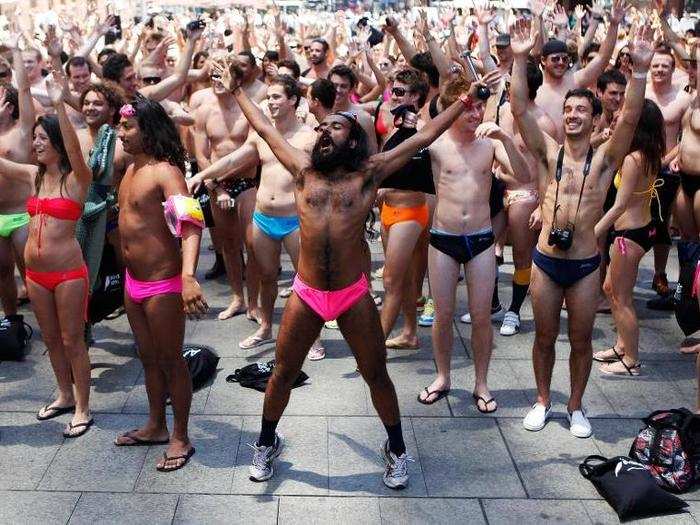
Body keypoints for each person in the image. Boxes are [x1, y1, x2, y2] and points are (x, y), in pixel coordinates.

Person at [212, 58, 485, 489]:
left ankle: (396, 449)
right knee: (282, 371)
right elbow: (265, 127)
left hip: (352, 293)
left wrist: (467, 99)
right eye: (322, 128)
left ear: (353, 138)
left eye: (334, 127)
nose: (324, 131)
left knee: (376, 373)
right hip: (307, 293)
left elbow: (427, 133)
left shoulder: (368, 174)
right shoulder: (303, 171)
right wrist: (236, 90)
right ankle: (267, 441)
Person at [510, 19, 654, 438]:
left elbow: (629, 117)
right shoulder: (548, 153)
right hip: (546, 262)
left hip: (586, 264)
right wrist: (520, 58)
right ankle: (542, 400)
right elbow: (519, 109)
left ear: (594, 119)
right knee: (542, 338)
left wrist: (640, 71)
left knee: (581, 340)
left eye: (581, 111)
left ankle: (574, 406)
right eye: (568, 109)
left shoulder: (607, 159)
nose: (573, 115)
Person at [189, 74, 324, 358]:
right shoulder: (261, 134)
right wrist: (202, 174)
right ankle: (265, 327)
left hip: (294, 220)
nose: (271, 102)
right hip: (263, 217)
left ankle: (313, 337)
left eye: (277, 97)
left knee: (305, 280)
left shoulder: (309, 138)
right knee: (266, 276)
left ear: (293, 101)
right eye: (268, 97)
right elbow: (231, 160)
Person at [417, 73, 530, 409]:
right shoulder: (437, 145)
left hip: (481, 239)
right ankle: (443, 376)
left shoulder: (490, 144)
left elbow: (524, 176)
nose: (476, 114)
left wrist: (506, 137)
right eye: (468, 108)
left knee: (482, 316)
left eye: (480, 107)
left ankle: (481, 383)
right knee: (443, 313)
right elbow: (418, 135)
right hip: (443, 239)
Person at [113, 97, 207, 472]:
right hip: (134, 283)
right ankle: (156, 425)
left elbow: (192, 224)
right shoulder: (131, 168)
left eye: (127, 127)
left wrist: (187, 277)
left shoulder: (166, 172)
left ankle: (181, 436)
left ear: (148, 130)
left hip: (163, 285)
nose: (120, 133)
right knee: (148, 359)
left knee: (171, 362)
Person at [1, 77, 93, 437]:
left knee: (73, 340)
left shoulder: (77, 180)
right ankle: (64, 394)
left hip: (68, 274)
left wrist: (59, 107)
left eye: (42, 138)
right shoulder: (31, 177)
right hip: (35, 276)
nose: (35, 144)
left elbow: (74, 149)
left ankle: (83, 406)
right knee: (51, 339)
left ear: (56, 143)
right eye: (34, 137)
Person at [593, 100, 666, 375]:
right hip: (637, 231)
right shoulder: (646, 154)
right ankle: (622, 345)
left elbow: (619, 205)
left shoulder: (634, 159)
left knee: (622, 298)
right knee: (611, 288)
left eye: (627, 113)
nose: (621, 115)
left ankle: (631, 359)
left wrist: (594, 232)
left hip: (629, 235)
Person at [496, 62, 558, 336]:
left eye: (512, 83)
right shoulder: (502, 111)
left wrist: (544, 208)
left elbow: (549, 169)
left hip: (526, 194)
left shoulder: (543, 122)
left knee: (522, 257)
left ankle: (515, 310)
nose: (507, 87)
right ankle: (493, 303)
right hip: (498, 189)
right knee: (484, 250)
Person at [192, 67, 258, 322]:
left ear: (237, 79)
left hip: (245, 181)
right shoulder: (204, 111)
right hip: (215, 184)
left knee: (253, 245)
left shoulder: (248, 109)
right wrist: (216, 186)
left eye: (224, 76)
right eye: (214, 77)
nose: (218, 82)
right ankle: (237, 298)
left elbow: (251, 152)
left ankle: (254, 302)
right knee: (228, 246)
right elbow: (200, 154)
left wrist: (217, 178)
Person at [534, 0, 625, 143]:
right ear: (544, 61)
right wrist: (538, 19)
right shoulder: (534, 87)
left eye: (564, 59)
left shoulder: (575, 80)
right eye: (555, 59)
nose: (561, 63)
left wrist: (614, 25)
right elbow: (536, 50)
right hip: (540, 159)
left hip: (573, 157)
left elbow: (602, 58)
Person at [645, 44, 694, 299]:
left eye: (665, 65)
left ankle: (660, 273)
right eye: (655, 65)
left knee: (662, 223)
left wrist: (666, 160)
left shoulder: (683, 98)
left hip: (667, 168)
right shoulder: (640, 93)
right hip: (639, 167)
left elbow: (687, 139)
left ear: (673, 70)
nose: (660, 69)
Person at [0, 32, 35, 324]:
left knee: (30, 271)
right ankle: (10, 321)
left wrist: (16, 52)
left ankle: (44, 319)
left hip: (22, 214)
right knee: (2, 272)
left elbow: (24, 90)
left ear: (8, 106)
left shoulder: (22, 132)